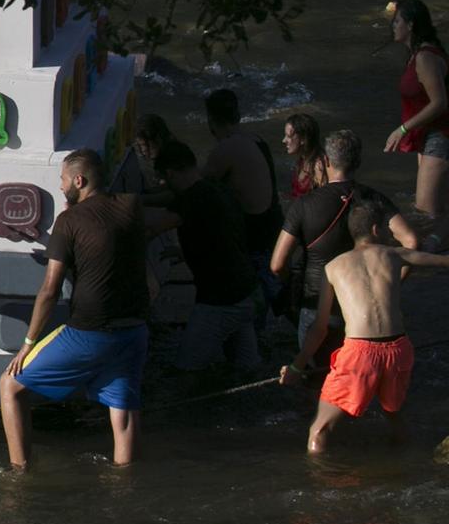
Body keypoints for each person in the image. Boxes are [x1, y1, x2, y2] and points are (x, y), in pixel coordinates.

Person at [1, 149, 149, 468]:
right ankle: (125, 487)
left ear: (78, 181)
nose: (60, 185)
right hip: (133, 331)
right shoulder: (132, 205)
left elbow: (50, 289)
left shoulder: (69, 221)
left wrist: (27, 345)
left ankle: (19, 472)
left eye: (63, 179)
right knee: (122, 415)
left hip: (88, 333)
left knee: (10, 385)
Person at [280, 199, 449, 452]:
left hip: (360, 354)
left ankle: (321, 488)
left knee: (320, 430)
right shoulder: (394, 255)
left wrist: (297, 366)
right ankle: (403, 464)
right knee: (394, 415)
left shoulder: (333, 267)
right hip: (398, 349)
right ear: (375, 230)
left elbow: (320, 328)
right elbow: (442, 262)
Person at [271, 129, 419, 356]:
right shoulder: (373, 198)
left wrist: (293, 285)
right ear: (357, 162)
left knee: (316, 380)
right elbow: (411, 240)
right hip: (362, 308)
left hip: (318, 306)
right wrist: (392, 283)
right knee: (362, 379)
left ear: (326, 160)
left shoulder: (303, 205)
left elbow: (277, 264)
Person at [147, 140, 260, 376]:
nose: (162, 184)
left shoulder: (191, 199)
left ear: (169, 173)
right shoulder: (218, 189)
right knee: (246, 370)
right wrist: (185, 252)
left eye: (162, 179)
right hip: (247, 292)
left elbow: (151, 228)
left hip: (220, 302)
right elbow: (225, 234)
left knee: (185, 370)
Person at [198, 88, 285, 274]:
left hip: (255, 238)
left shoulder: (227, 148)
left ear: (211, 120)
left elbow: (195, 187)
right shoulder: (256, 140)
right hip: (275, 227)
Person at [383, 0, 446, 228]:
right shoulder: (416, 55)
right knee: (435, 209)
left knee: (425, 214)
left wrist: (403, 129)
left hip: (441, 135)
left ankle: (435, 259)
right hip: (427, 135)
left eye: (397, 20)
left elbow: (440, 103)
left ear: (410, 25)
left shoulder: (425, 57)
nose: (393, 25)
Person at [282, 111, 326, 200]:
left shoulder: (319, 166)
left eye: (289, 136)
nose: (283, 140)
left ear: (303, 139)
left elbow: (324, 202)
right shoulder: (302, 159)